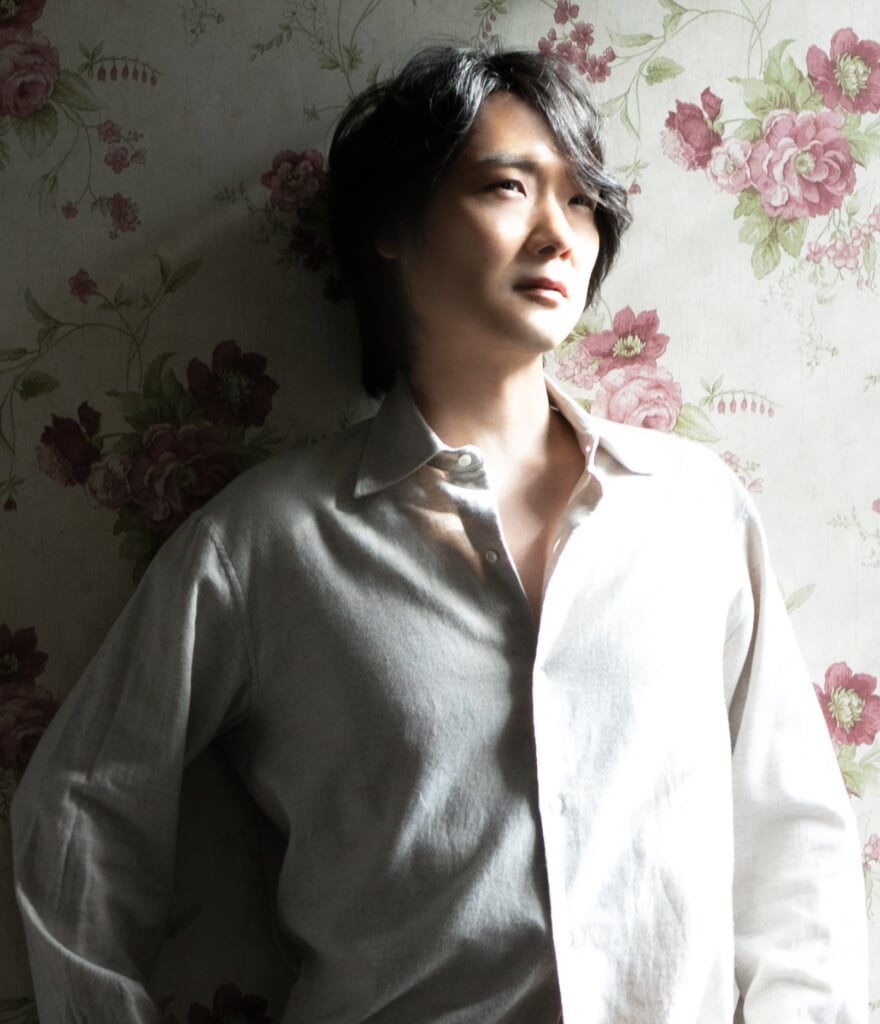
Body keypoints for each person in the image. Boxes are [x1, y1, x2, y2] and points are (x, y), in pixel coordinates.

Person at [11, 45, 867, 1024]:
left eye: (583, 200)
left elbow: (794, 844)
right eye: (508, 187)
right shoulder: (266, 545)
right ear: (392, 224)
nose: (559, 233)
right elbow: (80, 806)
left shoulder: (694, 511)